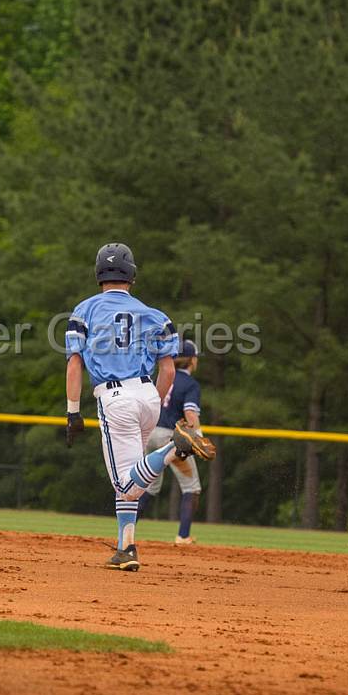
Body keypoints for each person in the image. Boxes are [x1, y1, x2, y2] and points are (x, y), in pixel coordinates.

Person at [63, 243, 215, 571]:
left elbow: (74, 364)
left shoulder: (84, 311)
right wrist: (154, 405)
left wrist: (73, 411)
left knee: (125, 485)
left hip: (114, 397)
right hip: (148, 394)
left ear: (98, 274)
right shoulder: (156, 315)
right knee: (132, 473)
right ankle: (126, 548)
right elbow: (169, 370)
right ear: (132, 275)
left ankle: (176, 448)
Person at [146, 339, 205, 544]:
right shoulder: (190, 384)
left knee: (149, 487)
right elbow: (190, 413)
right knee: (191, 487)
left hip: (149, 434)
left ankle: (127, 529)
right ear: (191, 360)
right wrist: (198, 437)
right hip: (171, 438)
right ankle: (183, 536)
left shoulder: (161, 377)